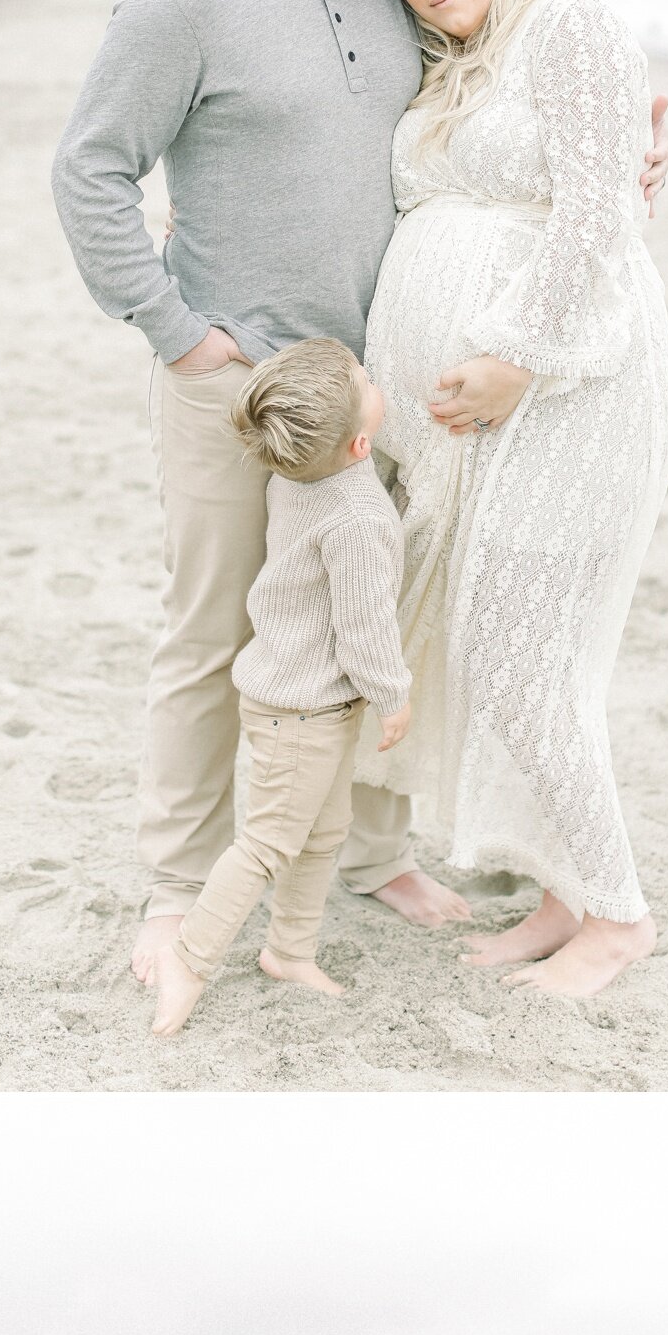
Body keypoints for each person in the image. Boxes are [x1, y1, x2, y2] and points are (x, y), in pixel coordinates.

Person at [50, 0, 456, 1040]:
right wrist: (176, 335)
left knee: (377, 620)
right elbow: (91, 170)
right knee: (215, 633)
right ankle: (180, 889)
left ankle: (374, 853)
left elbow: (484, 94)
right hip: (239, 392)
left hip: (377, 385)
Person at [364, 0, 668, 990]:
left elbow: (598, 212)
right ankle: (566, 892)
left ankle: (622, 918)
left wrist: (513, 360)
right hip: (482, 412)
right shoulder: (456, 68)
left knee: (524, 656)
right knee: (507, 650)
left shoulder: (569, 25)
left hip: (574, 388)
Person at [152, 342, 411, 1020]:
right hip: (303, 712)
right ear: (360, 444)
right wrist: (393, 695)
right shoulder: (356, 518)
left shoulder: (291, 473)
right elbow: (365, 626)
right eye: (364, 380)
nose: (368, 373)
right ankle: (189, 959)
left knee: (324, 832)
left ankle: (290, 951)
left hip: (298, 698)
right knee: (267, 843)